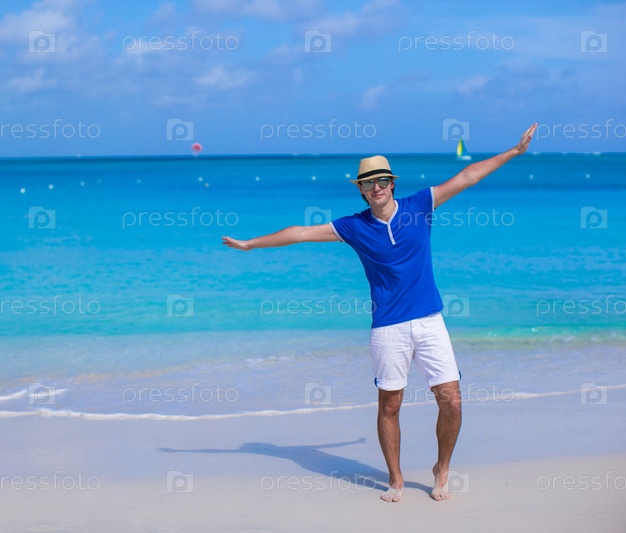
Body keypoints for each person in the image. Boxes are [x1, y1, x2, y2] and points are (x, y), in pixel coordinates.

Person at [222, 123, 537, 502]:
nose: (377, 187)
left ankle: (442, 468)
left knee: (452, 401)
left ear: (392, 183)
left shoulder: (420, 205)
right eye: (369, 183)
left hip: (429, 321)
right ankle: (396, 479)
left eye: (382, 180)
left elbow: (467, 176)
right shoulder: (354, 226)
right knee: (390, 405)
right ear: (361, 189)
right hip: (388, 328)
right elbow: (300, 233)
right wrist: (251, 244)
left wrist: (514, 151)